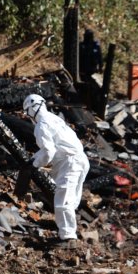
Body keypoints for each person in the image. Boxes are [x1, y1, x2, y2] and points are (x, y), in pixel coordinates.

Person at [23, 94, 90, 246]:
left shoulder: (41, 125)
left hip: (70, 163)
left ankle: (68, 237)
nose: (28, 116)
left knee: (63, 201)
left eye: (27, 113)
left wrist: (34, 165)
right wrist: (34, 158)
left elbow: (48, 151)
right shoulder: (55, 119)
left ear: (31, 109)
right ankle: (68, 229)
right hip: (80, 160)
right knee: (71, 200)